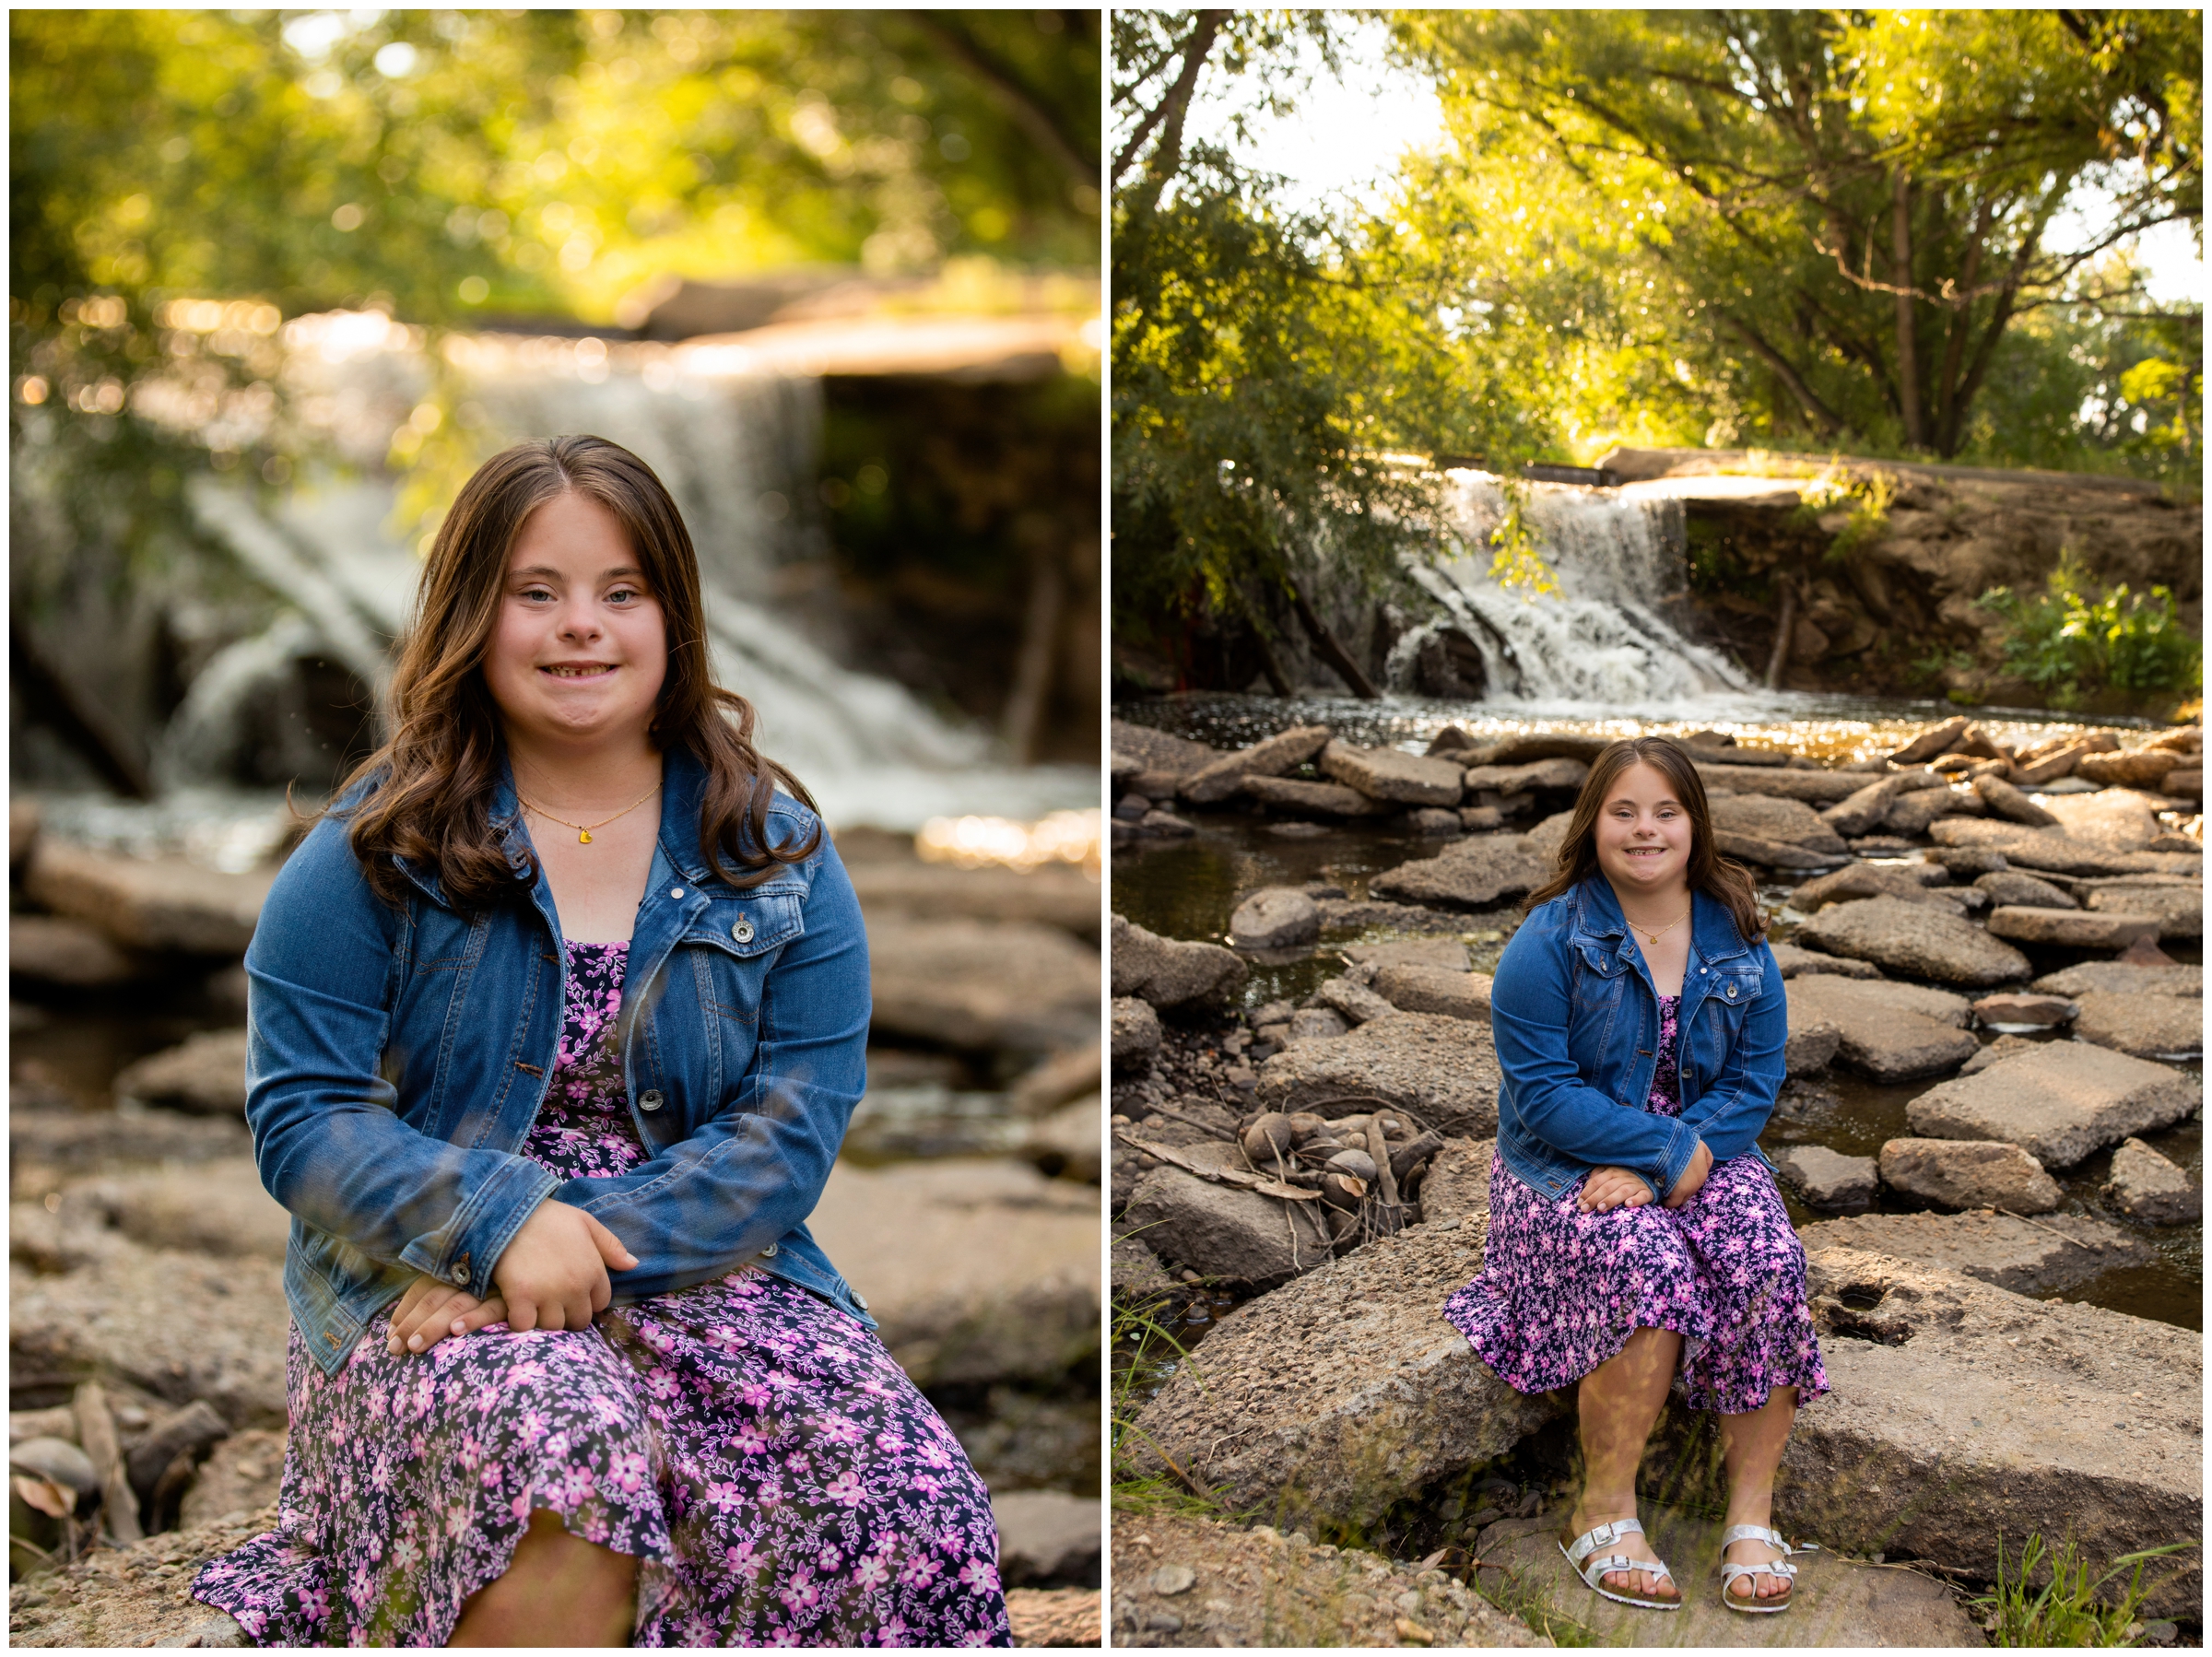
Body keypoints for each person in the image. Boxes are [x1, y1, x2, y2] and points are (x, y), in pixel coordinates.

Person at [192, 435, 1010, 1646]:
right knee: (558, 1461)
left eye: (620, 591)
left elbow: (792, 1134)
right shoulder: (372, 848)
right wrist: (483, 1226)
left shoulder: (777, 848)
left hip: (708, 1263)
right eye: (538, 592)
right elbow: (303, 1117)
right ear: (474, 615)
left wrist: (559, 1233)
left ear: (672, 617)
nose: (583, 625)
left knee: (915, 1494)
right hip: (427, 1283)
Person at [1441, 734, 1826, 1616]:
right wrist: (1655, 1157)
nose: (1645, 830)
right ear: (1594, 823)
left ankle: (1751, 1516)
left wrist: (1669, 1163)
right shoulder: (1549, 942)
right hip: (1563, 1163)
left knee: (1764, 1258)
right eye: (1625, 812)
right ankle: (1601, 1511)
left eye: (1665, 812)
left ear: (1695, 826)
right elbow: (1539, 1095)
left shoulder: (1741, 941)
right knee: (1643, 1263)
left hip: (1707, 1148)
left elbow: (1753, 1084)